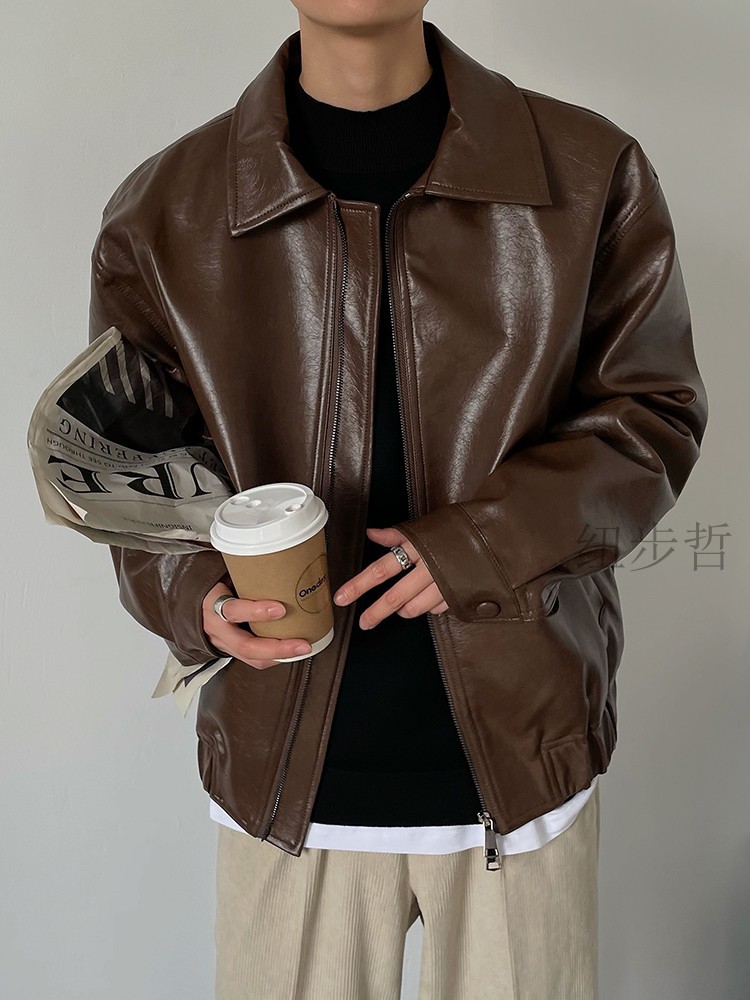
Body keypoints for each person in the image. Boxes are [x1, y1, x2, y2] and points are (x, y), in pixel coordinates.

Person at [83, 4, 708, 998]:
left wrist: (482, 545)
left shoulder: (588, 174)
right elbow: (128, 461)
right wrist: (196, 592)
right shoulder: (168, 209)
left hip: (520, 774)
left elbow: (650, 416)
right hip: (287, 781)